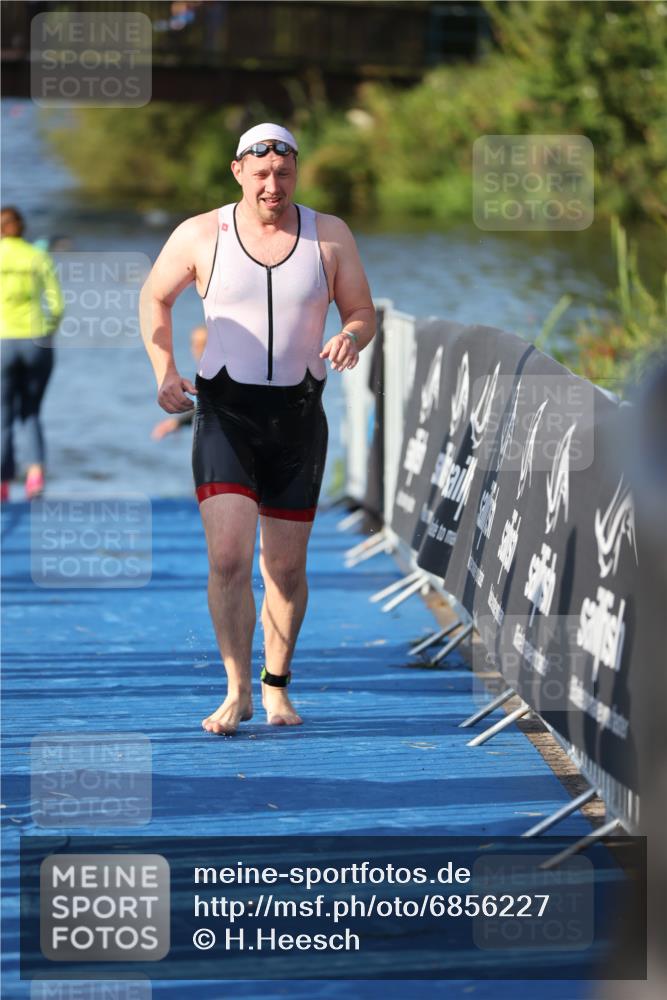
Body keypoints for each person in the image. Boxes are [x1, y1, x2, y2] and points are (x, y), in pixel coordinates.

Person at [140, 122, 375, 734]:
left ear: (297, 172)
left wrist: (349, 335)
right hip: (225, 415)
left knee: (286, 571)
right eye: (262, 174)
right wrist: (164, 367)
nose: (274, 185)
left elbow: (361, 310)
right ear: (238, 170)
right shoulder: (201, 233)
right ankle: (236, 688)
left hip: (299, 417)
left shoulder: (330, 235)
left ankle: (276, 685)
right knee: (227, 557)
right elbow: (154, 298)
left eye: (285, 174)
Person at [0, 206, 64, 501]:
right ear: (23, 228)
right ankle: (35, 476)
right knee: (31, 412)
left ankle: (2, 483)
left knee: (3, 415)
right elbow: (58, 306)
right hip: (36, 340)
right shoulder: (38, 255)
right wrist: (47, 329)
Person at [151, 325, 207, 439]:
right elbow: (200, 406)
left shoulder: (217, 377)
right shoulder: (200, 375)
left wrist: (177, 422)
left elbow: (208, 407)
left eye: (203, 345)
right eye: (195, 344)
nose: (198, 349)